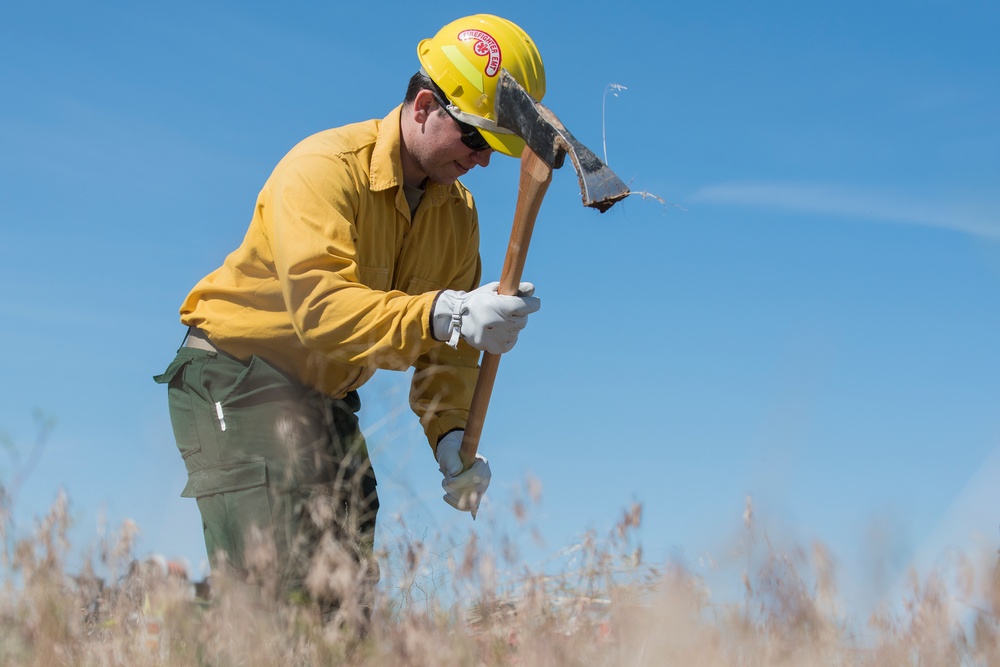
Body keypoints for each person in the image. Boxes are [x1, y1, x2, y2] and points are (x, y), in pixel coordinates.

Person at [153, 14, 545, 621]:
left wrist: (450, 439)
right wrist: (448, 311)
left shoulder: (457, 215)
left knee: (346, 592)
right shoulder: (322, 168)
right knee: (279, 580)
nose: (485, 162)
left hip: (326, 393)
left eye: (498, 148)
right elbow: (322, 308)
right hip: (234, 374)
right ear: (423, 106)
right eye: (476, 140)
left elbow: (448, 350)